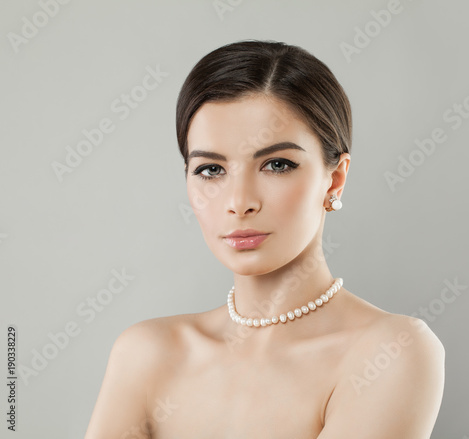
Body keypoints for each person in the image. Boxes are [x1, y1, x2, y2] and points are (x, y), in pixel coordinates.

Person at [84, 39, 445, 439]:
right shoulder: (146, 353)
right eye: (210, 170)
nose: (239, 203)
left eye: (277, 164)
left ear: (335, 179)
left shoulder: (391, 352)